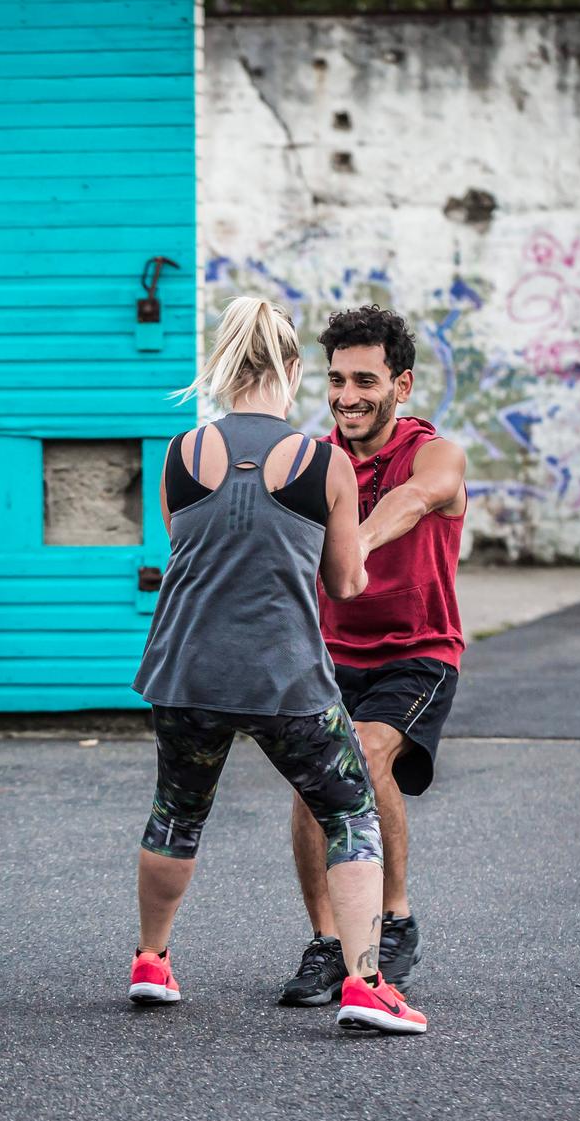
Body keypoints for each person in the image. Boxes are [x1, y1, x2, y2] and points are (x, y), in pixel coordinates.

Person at [127, 295, 425, 1034]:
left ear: (225, 369)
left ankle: (151, 963)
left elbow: (185, 548)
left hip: (185, 669)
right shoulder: (323, 463)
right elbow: (346, 581)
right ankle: (364, 983)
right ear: (293, 371)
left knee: (177, 814)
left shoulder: (180, 454)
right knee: (350, 812)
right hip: (284, 676)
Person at [280, 305, 465, 1007]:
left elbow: (420, 498)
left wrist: (354, 540)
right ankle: (329, 942)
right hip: (326, 650)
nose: (347, 395)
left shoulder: (433, 452)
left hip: (417, 651)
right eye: (335, 380)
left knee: (357, 752)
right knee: (308, 780)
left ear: (402, 384)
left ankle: (395, 921)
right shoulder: (312, 459)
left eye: (365, 379)